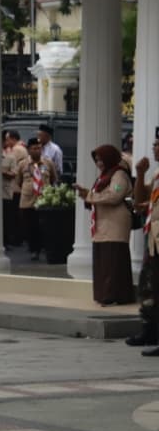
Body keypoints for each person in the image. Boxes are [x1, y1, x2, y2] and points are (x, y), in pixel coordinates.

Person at [76, 144, 135, 306]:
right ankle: (104, 295)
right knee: (103, 260)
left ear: (110, 158)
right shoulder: (104, 176)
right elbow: (101, 195)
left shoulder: (119, 175)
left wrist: (89, 196)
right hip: (103, 223)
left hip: (115, 222)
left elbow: (115, 195)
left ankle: (114, 295)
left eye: (101, 159)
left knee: (113, 260)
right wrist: (87, 194)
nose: (99, 163)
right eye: (96, 160)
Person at [129, 129, 159, 351]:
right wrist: (139, 174)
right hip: (154, 240)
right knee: (149, 287)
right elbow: (141, 197)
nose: (154, 147)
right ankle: (150, 331)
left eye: (157, 144)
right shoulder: (157, 174)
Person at [17, 138, 57, 261]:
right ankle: (34, 250)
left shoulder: (48, 163)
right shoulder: (23, 164)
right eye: (34, 148)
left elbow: (53, 179)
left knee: (44, 226)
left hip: (43, 200)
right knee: (30, 227)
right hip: (28, 201)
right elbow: (19, 181)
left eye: (39, 148)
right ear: (29, 150)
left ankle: (44, 248)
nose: (37, 150)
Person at [1, 130, 27, 250]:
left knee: (11, 216)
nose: (7, 142)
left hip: (11, 189)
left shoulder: (15, 151)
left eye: (8, 139)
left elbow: (14, 170)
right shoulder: (17, 149)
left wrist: (5, 172)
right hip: (10, 188)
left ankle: (13, 239)